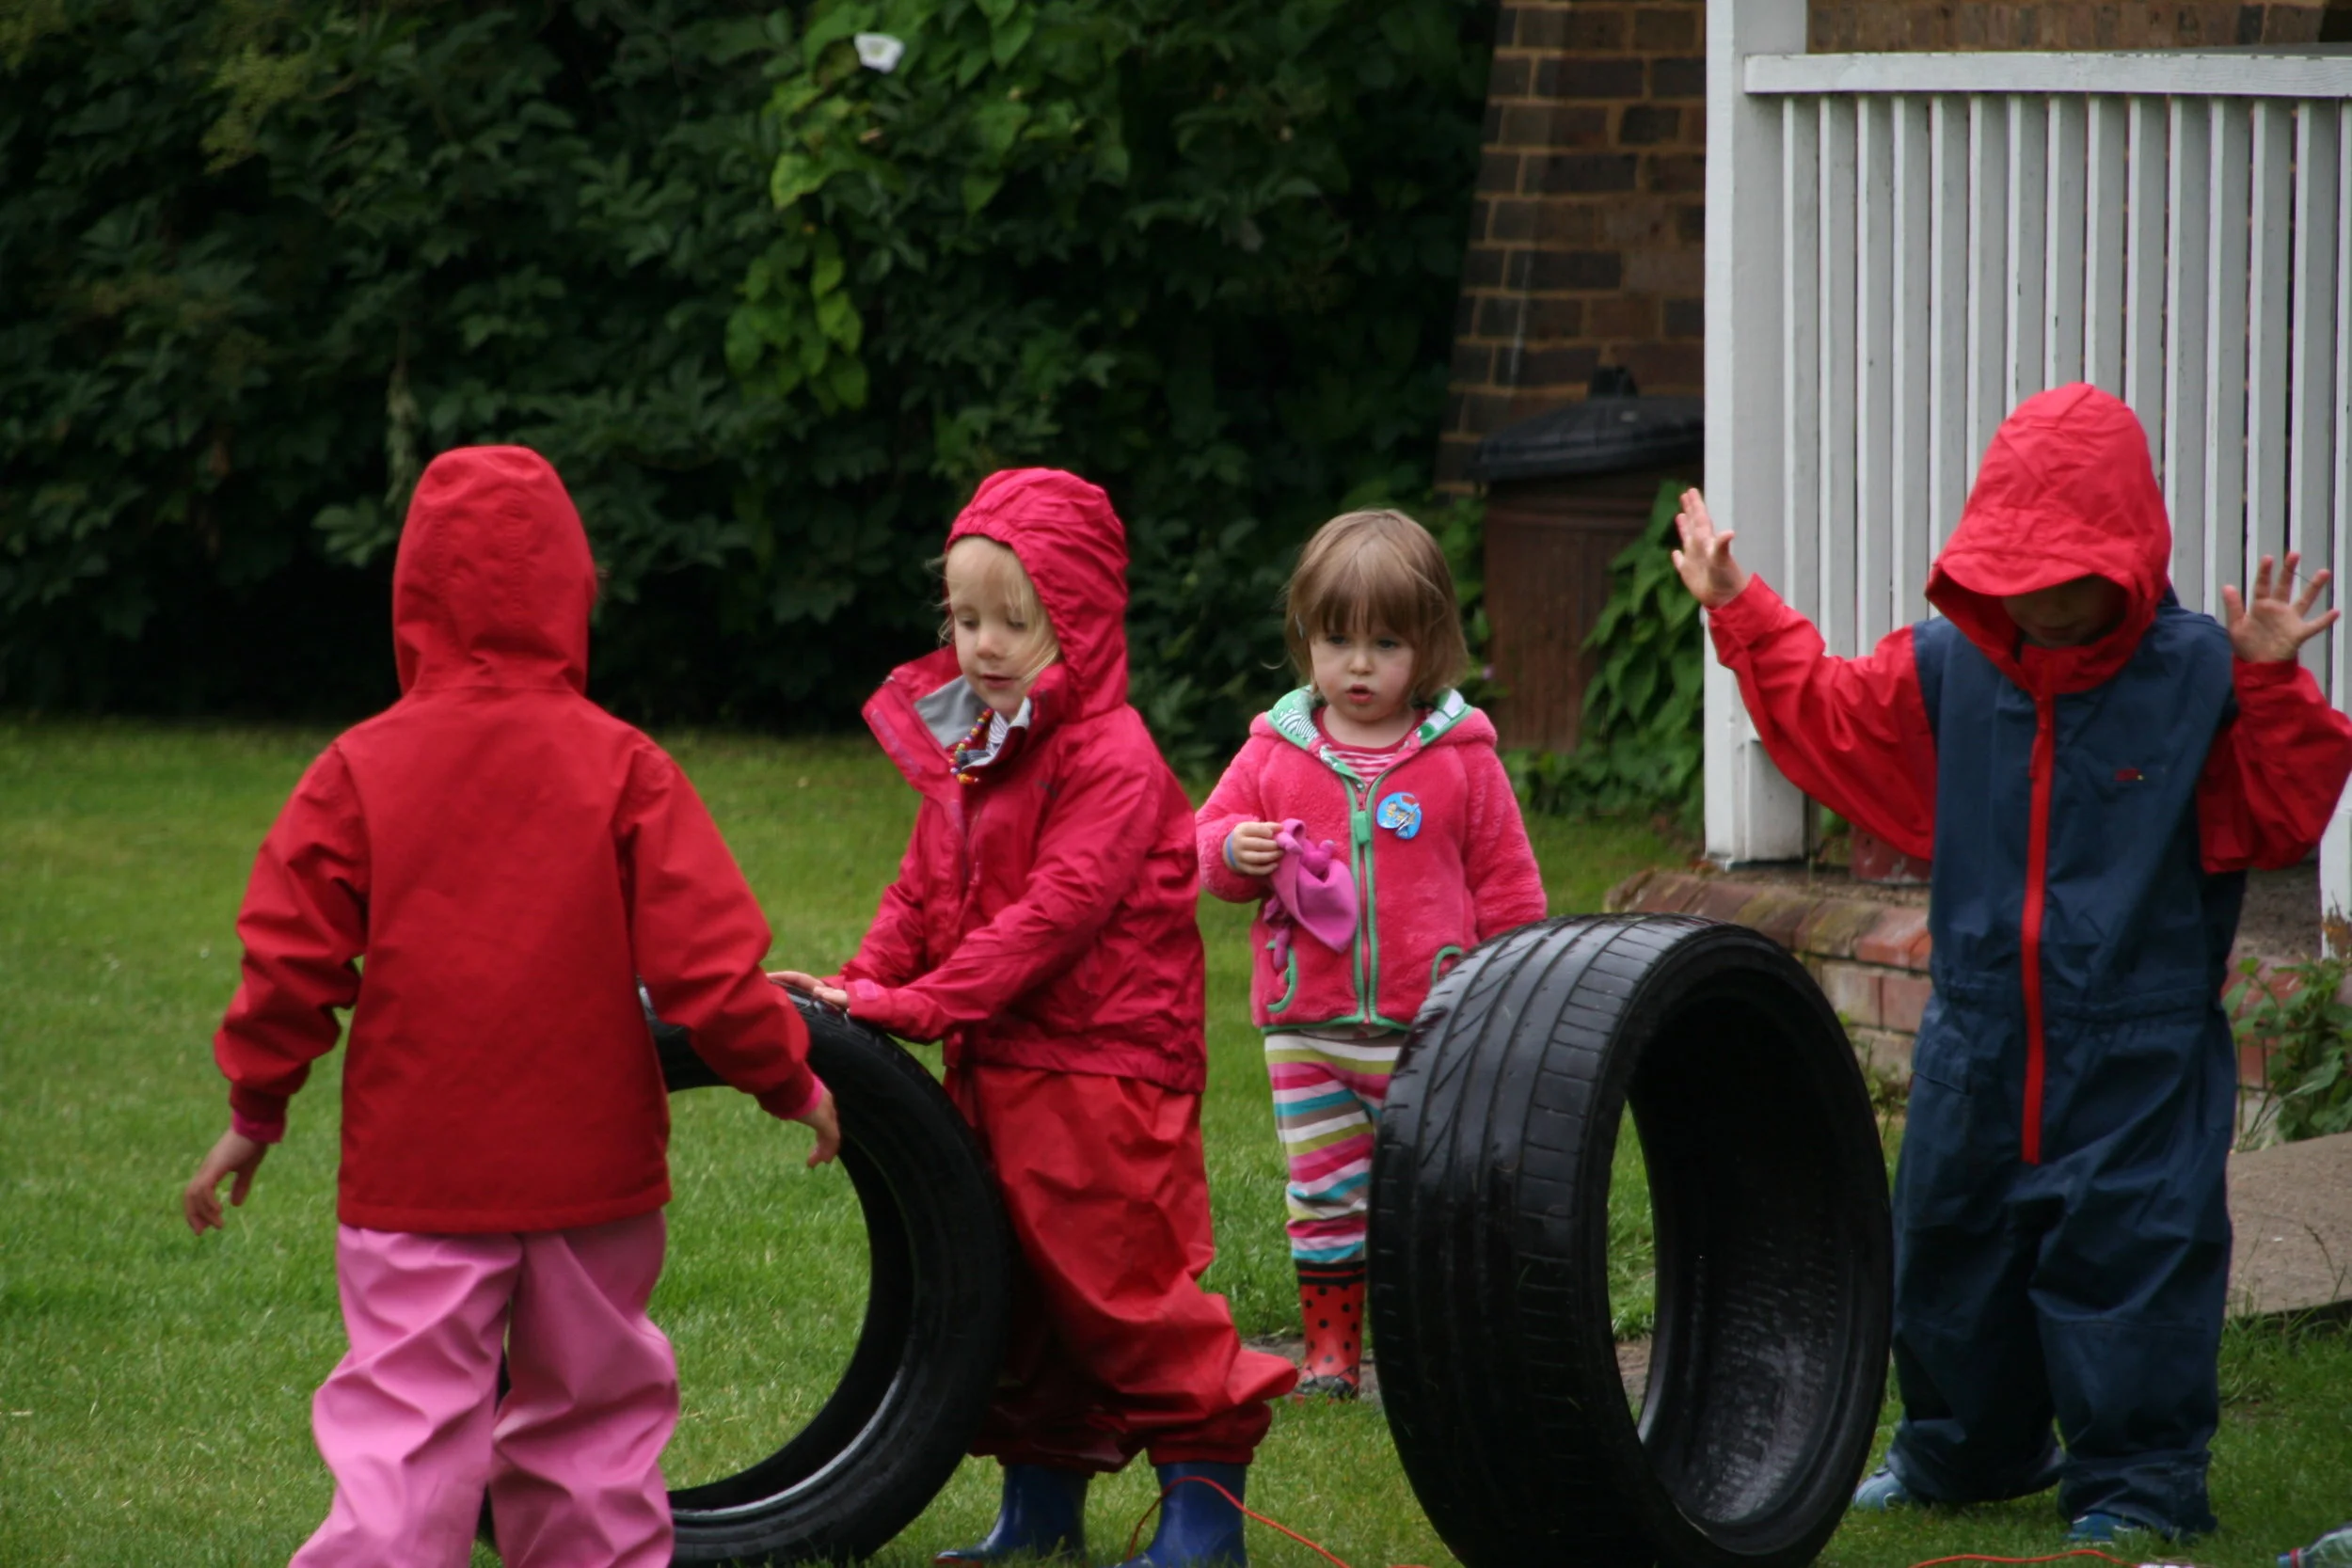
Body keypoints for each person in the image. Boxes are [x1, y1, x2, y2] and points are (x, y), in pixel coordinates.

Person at [1672, 383, 2352, 1544]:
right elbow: (1831, 713)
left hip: (2134, 1050)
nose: (2035, 596)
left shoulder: (2198, 676)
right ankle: (1963, 1450)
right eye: (2014, 569)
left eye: (2062, 571)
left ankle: (2137, 1484)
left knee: (2130, 1265)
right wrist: (1741, 608)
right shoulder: (1952, 670)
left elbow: (2282, 816)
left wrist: (2269, 687)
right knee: (1948, 1252)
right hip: (1976, 1037)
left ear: (2126, 560)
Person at [181, 446, 841, 1568]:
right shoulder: (624, 766)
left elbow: (289, 961)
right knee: (592, 1430)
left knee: (407, 1429)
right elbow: (710, 967)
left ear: (412, 601)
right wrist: (791, 1076)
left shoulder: (358, 769)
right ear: (572, 598)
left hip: (416, 1171)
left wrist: (256, 1107)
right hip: (592, 1171)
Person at [774, 468, 1295, 1568]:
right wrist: (859, 986)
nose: (984, 645)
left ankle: (1205, 1518)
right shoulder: (977, 734)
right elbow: (926, 884)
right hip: (1000, 1054)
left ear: (1084, 622)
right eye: (965, 618)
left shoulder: (1113, 759)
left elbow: (1050, 918)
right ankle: (1040, 1509)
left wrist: (912, 1004)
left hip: (1104, 1068)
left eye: (1018, 620)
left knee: (1117, 1284)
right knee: (1013, 1290)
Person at [1194, 508, 1546, 1399]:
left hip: (1430, 1031)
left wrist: (1509, 995)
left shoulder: (1461, 760)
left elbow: (1510, 889)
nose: (1358, 664)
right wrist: (1237, 850)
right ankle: (1331, 1352)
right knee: (1323, 1193)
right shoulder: (1274, 751)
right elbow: (1203, 845)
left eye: (1385, 642)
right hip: (1305, 1030)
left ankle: (1437, 1342)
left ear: (1428, 647)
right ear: (1305, 638)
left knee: (1438, 1199)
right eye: (1336, 638)